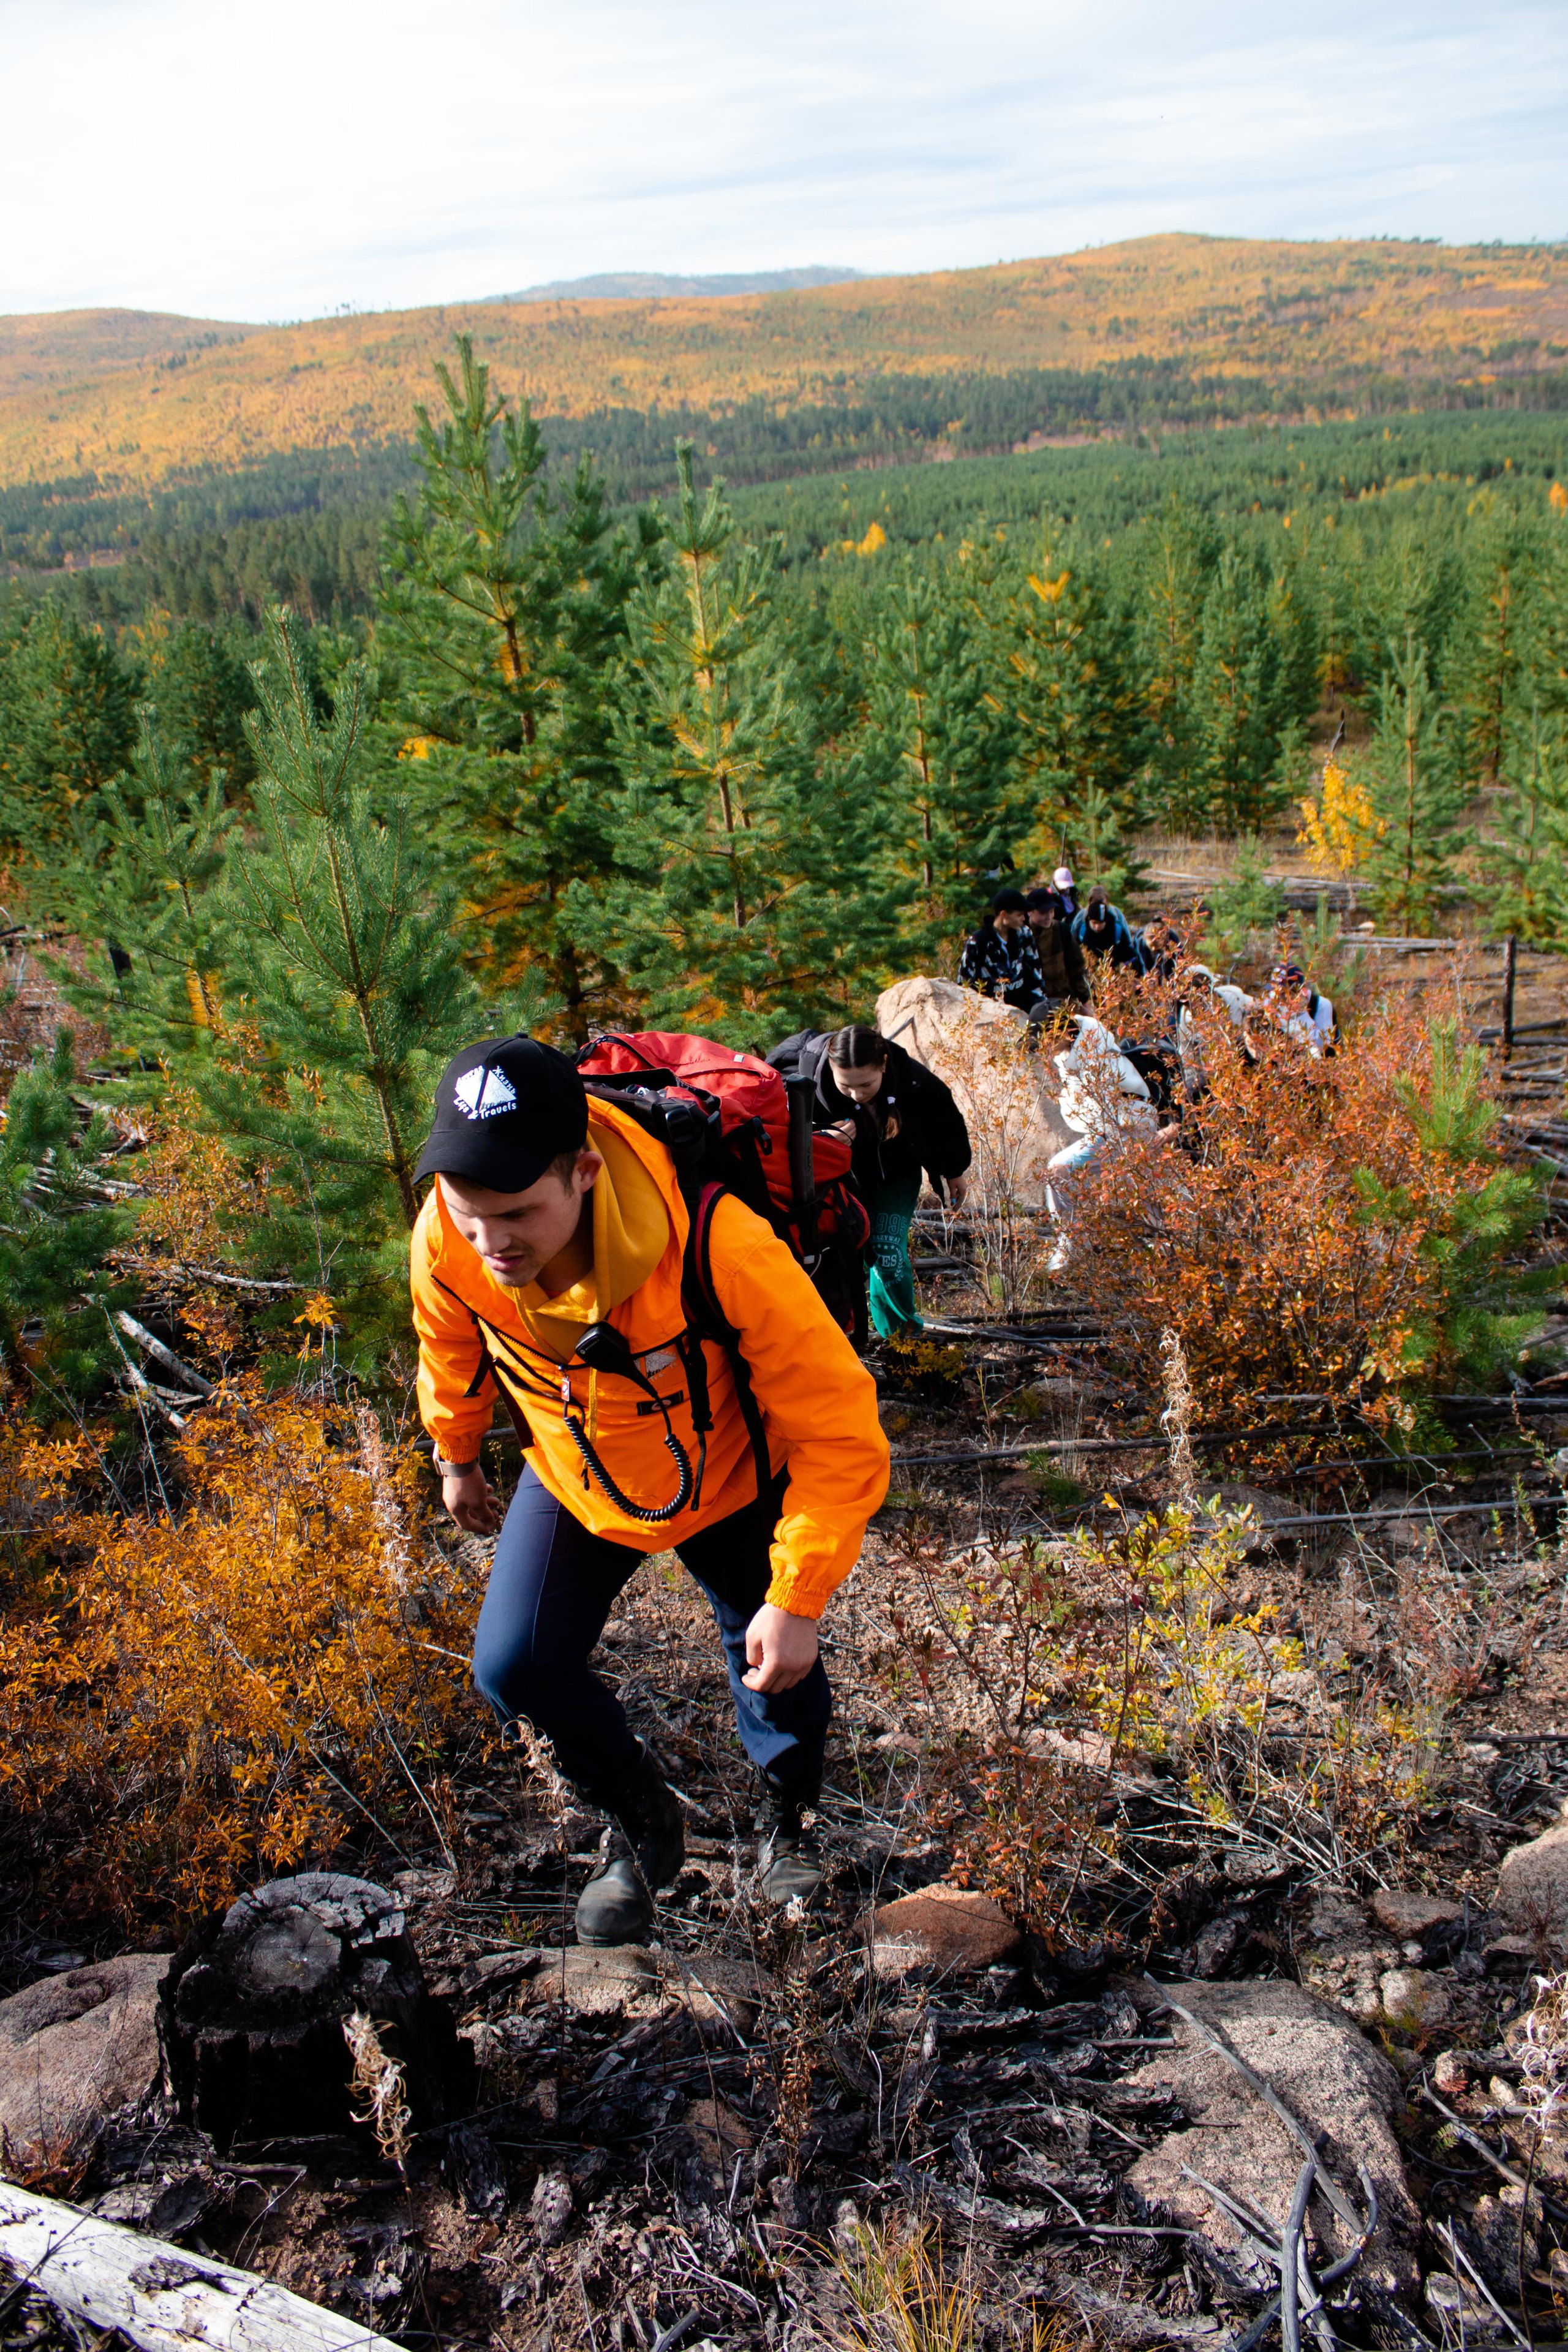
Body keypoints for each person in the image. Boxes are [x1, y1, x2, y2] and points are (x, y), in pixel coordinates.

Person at [409, 1033, 890, 1947]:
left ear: (584, 1171)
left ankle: (791, 1821)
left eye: (516, 1213)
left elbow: (838, 1425)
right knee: (514, 1668)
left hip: (730, 1471)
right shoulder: (449, 1230)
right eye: (470, 1214)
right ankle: (641, 1826)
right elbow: (450, 1341)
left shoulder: (719, 1243)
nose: (489, 1241)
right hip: (577, 1470)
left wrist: (800, 1593)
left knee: (771, 1659)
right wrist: (457, 1454)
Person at [769, 1024, 971, 1340]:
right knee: (835, 1254)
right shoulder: (801, 1075)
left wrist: (954, 1170)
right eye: (845, 1086)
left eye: (866, 1085)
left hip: (896, 1175)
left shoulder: (911, 1079)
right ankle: (839, 1333)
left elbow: (943, 1119)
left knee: (886, 1252)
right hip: (836, 1183)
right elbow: (775, 1125)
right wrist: (824, 1138)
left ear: (884, 1064)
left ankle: (901, 1339)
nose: (857, 1095)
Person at [958, 887, 1048, 1011]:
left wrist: (1040, 1007)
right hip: (990, 1012)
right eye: (1019, 915)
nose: (1024, 918)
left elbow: (1035, 973)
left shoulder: (1024, 934)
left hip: (1024, 1009)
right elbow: (964, 984)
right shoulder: (977, 942)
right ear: (1004, 914)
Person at [1023, 888, 1091, 1007]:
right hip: (1032, 1003)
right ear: (1030, 911)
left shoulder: (1061, 930)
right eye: (1044, 912)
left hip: (1063, 999)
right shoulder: (1021, 935)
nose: (1049, 916)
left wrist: (1084, 1000)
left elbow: (1076, 967)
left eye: (1051, 911)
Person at [1265, 962, 1336, 1055]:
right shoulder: (1271, 1001)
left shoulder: (1321, 1005)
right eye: (1275, 991)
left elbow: (1324, 1047)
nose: (1278, 998)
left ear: (1300, 991)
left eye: (1283, 993)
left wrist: (1301, 1015)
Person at [1072, 886, 1147, 973]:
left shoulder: (1116, 916)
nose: (1097, 926)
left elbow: (1127, 944)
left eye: (1103, 903)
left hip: (1112, 971)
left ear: (1107, 901)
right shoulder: (1082, 918)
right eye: (1094, 923)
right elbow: (1073, 942)